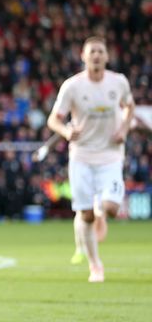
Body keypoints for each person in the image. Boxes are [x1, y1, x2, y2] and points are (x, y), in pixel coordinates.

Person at [47, 36, 135, 283]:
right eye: (92, 52)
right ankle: (95, 266)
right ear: (83, 57)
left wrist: (124, 128)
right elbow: (53, 119)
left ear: (107, 56)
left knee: (112, 208)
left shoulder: (118, 82)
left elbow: (130, 106)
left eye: (100, 51)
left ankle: (101, 212)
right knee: (84, 216)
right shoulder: (72, 86)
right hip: (82, 156)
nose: (96, 55)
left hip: (110, 155)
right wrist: (66, 131)